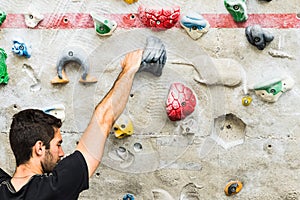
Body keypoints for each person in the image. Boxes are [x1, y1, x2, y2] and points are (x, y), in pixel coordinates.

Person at [0, 49, 143, 199]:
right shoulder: (56, 187)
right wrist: (129, 69)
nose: (61, 153)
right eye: (58, 144)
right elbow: (103, 119)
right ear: (39, 148)